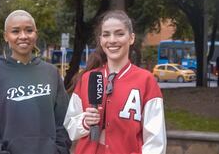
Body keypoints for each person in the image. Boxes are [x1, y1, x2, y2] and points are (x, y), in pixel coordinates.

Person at [63, 10, 166, 154]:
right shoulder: (87, 79)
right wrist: (85, 122)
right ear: (100, 40)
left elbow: (155, 140)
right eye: (106, 34)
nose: (112, 40)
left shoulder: (146, 80)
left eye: (119, 34)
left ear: (131, 38)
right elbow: (70, 127)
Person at [0, 10, 71, 154]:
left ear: (36, 34)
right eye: (15, 31)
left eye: (29, 30)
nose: (23, 36)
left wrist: (59, 150)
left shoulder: (50, 72)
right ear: (6, 36)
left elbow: (64, 118)